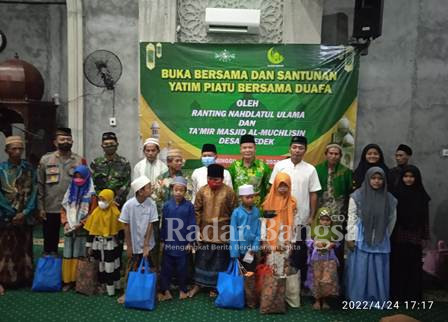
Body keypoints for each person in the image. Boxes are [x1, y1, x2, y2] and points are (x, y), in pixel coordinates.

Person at [269, 136, 321, 284]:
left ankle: (297, 286)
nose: (297, 151)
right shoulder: (280, 166)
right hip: (280, 218)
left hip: (301, 218)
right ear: (290, 148)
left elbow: (313, 193)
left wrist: (311, 215)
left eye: (300, 148)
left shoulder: (311, 169)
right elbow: (272, 189)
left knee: (298, 251)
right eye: (294, 147)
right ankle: (278, 284)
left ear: (305, 150)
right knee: (280, 251)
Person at [345, 167, 397, 304]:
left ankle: (377, 298)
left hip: (381, 238)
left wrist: (383, 235)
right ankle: (358, 298)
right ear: (368, 179)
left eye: (380, 179)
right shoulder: (357, 196)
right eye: (373, 178)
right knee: (360, 268)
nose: (377, 181)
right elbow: (352, 217)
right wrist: (351, 236)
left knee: (378, 268)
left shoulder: (390, 199)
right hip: (361, 236)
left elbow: (392, 219)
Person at [189, 164, 238, 298]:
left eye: (217, 179)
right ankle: (198, 285)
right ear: (207, 178)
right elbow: (197, 210)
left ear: (222, 179)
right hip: (204, 231)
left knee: (220, 261)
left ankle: (217, 287)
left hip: (223, 232)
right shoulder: (202, 191)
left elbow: (235, 211)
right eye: (211, 179)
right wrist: (197, 229)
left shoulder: (229, 192)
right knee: (202, 260)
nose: (214, 182)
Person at [38, 127, 86, 256]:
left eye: (68, 139)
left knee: (73, 240)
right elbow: (40, 185)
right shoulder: (45, 160)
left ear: (72, 142)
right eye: (62, 139)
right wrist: (41, 207)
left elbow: (85, 185)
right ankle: (50, 268)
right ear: (55, 142)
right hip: (51, 206)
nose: (66, 141)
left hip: (72, 208)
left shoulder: (79, 161)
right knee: (50, 241)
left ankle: (71, 268)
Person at [0, 136, 37, 295]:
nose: (17, 152)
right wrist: (11, 211)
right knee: (6, 248)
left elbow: (35, 190)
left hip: (25, 215)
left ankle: (25, 278)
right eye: (13, 149)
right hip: (6, 215)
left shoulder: (28, 168)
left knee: (25, 246)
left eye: (20, 149)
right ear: (6, 150)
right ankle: (4, 280)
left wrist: (26, 211)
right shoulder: (1, 169)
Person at [390, 165, 430, 301]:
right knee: (398, 263)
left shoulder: (422, 195)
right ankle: (398, 294)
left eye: (411, 176)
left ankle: (412, 295)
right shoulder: (395, 194)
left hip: (415, 234)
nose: (408, 179)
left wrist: (424, 235)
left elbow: (425, 217)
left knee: (413, 264)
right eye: (405, 176)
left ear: (416, 178)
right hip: (399, 232)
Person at [117, 176, 158, 304]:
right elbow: (126, 226)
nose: (151, 189)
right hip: (133, 244)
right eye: (149, 187)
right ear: (140, 191)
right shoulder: (128, 205)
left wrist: (146, 245)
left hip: (149, 245)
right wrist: (129, 246)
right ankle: (127, 292)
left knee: (151, 267)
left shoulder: (152, 204)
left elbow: (151, 224)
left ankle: (151, 292)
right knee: (131, 268)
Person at [315, 143, 352, 274]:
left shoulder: (346, 172)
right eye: (330, 153)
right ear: (325, 154)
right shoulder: (317, 170)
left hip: (338, 217)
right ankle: (317, 280)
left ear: (340, 156)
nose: (333, 156)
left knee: (336, 246)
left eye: (336, 154)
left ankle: (336, 281)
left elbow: (349, 194)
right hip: (320, 216)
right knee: (319, 244)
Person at [158, 176, 196, 301]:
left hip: (182, 243)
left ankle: (183, 290)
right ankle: (165, 290)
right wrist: (162, 240)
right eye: (176, 190)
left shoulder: (189, 206)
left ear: (185, 191)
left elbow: (192, 224)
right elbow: (164, 224)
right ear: (172, 190)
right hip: (169, 242)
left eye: (181, 190)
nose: (178, 192)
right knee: (166, 268)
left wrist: (190, 242)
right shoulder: (167, 205)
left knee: (182, 268)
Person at [60, 165, 96, 291]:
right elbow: (64, 208)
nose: (78, 179)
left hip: (81, 229)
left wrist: (82, 223)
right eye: (76, 177)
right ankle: (67, 280)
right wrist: (65, 222)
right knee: (68, 254)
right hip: (69, 228)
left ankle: (77, 280)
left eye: (81, 177)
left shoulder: (91, 194)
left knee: (78, 254)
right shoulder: (70, 191)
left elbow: (93, 212)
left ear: (87, 177)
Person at [84, 189, 124, 296]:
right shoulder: (95, 213)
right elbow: (90, 231)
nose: (101, 202)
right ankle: (102, 287)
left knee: (111, 266)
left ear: (110, 200)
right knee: (100, 266)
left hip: (111, 245)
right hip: (98, 244)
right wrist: (89, 246)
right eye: (100, 199)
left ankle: (113, 288)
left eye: (104, 199)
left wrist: (119, 247)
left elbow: (120, 231)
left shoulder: (115, 213)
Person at [261, 172, 296, 276]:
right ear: (275, 185)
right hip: (271, 240)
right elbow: (264, 222)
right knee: (270, 268)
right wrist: (264, 241)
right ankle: (270, 291)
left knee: (284, 268)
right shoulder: (269, 201)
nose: (283, 188)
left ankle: (281, 292)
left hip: (285, 240)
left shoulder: (292, 202)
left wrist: (292, 241)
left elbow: (294, 222)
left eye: (286, 185)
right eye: (280, 185)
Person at [306, 208, 340, 310]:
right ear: (318, 220)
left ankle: (325, 300)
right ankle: (317, 300)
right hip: (316, 260)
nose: (325, 222)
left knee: (327, 279)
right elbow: (308, 241)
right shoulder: (313, 230)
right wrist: (315, 243)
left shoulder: (333, 231)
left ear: (331, 221)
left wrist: (333, 244)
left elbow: (337, 243)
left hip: (329, 259)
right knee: (316, 278)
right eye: (323, 220)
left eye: (327, 220)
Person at [228, 134, 271, 208]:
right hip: (238, 211)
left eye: (250, 147)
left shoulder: (263, 167)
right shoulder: (234, 167)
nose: (247, 150)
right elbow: (228, 189)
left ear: (255, 148)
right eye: (244, 148)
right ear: (240, 149)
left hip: (257, 211)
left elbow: (270, 190)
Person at [90, 132, 131, 208]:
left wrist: (116, 200)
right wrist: (102, 198)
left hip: (118, 204)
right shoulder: (96, 163)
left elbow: (126, 184)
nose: (109, 146)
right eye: (106, 144)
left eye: (112, 144)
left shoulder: (124, 163)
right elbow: (92, 183)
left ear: (117, 145)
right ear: (102, 146)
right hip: (100, 203)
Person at [229, 184, 261, 272]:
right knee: (239, 272)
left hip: (251, 250)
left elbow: (258, 230)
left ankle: (249, 285)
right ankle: (240, 286)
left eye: (252, 197)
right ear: (241, 198)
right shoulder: (236, 212)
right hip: (239, 249)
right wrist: (235, 251)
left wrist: (255, 247)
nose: (250, 199)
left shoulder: (256, 212)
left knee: (250, 272)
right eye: (247, 197)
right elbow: (233, 232)